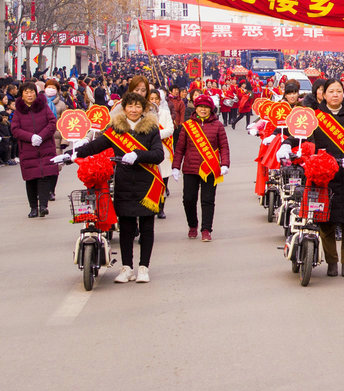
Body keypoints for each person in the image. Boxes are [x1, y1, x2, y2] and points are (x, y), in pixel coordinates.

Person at [55, 92, 165, 283]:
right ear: (124, 108)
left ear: (143, 109)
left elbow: (158, 155)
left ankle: (143, 267)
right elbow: (95, 145)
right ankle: (126, 268)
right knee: (126, 227)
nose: (133, 110)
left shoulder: (151, 129)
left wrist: (138, 155)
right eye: (130, 106)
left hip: (147, 183)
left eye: (137, 106)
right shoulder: (116, 129)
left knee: (147, 226)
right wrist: (71, 155)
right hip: (124, 181)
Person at [280, 79, 344, 277]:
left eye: (339, 91)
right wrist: (286, 143)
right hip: (323, 174)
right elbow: (298, 135)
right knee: (325, 220)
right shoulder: (315, 116)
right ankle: (331, 261)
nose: (335, 94)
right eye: (331, 91)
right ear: (323, 94)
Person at [172, 94, 230, 241]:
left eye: (206, 107)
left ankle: (206, 229)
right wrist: (175, 167)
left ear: (211, 109)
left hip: (210, 168)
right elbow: (180, 149)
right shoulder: (188, 126)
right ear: (195, 108)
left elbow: (224, 146)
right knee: (188, 199)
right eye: (200, 107)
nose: (203, 110)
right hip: (190, 168)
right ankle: (192, 225)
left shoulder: (218, 125)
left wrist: (225, 164)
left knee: (208, 200)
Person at [10, 82, 58, 218]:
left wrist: (41, 136)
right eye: (26, 92)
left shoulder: (43, 107)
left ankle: (43, 206)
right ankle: (33, 208)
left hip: (45, 147)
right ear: (22, 94)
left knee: (44, 176)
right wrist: (30, 137)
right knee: (31, 179)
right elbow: (15, 129)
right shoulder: (19, 111)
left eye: (32, 92)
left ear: (36, 94)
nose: (29, 95)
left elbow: (52, 123)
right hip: (28, 149)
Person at [148, 89, 175, 219]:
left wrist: (155, 135)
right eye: (151, 99)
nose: (154, 101)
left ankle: (161, 208)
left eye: (156, 99)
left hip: (163, 148)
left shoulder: (164, 112)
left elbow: (170, 129)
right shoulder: (144, 114)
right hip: (149, 150)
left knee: (163, 181)